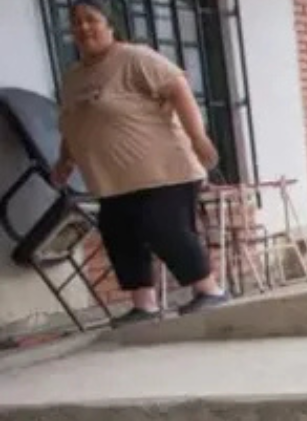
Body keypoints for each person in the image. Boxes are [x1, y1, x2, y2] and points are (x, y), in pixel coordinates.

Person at [52, 0, 227, 323]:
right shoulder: (73, 77)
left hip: (163, 170)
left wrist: (198, 137)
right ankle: (144, 305)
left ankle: (209, 290)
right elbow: (72, 123)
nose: (83, 27)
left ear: (110, 24)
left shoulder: (134, 58)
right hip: (111, 180)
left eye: (91, 19)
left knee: (166, 229)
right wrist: (65, 160)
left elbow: (178, 86)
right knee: (120, 236)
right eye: (76, 22)